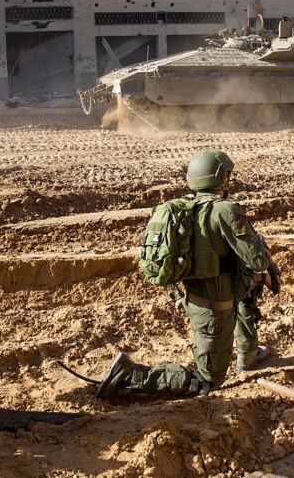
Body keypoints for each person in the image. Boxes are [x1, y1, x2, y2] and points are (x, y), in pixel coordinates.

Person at [96, 150, 280, 399]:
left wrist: (257, 278)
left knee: (249, 290)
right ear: (221, 179)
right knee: (207, 381)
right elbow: (256, 259)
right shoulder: (225, 210)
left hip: (195, 297)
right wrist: (262, 250)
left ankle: (248, 352)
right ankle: (129, 376)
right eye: (227, 175)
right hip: (216, 307)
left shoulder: (185, 209)